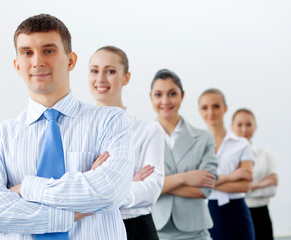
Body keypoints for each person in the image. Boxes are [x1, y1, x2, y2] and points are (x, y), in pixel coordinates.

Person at [0, 14, 134, 240]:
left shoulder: (110, 121)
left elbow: (112, 191)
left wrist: (26, 188)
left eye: (49, 50)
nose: (37, 62)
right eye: (27, 53)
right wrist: (73, 213)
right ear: (18, 65)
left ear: (71, 60)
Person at [88, 46, 164, 240]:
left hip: (136, 229)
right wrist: (124, 185)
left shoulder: (148, 130)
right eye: (94, 70)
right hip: (91, 229)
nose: (100, 79)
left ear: (126, 77)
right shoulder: (76, 130)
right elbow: (70, 185)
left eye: (110, 71)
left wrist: (98, 189)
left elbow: (151, 189)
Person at [149, 69, 218, 240]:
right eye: (158, 95)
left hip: (196, 233)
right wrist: (186, 178)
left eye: (172, 93)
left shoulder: (203, 137)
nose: (165, 101)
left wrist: (160, 185)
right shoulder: (141, 137)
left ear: (182, 95)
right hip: (154, 230)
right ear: (151, 97)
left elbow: (205, 189)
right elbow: (139, 188)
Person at [198, 88, 255, 240]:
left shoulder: (241, 144)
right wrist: (231, 177)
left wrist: (206, 182)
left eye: (216, 106)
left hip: (236, 212)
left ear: (225, 108)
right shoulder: (195, 145)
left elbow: (244, 186)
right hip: (205, 213)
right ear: (199, 110)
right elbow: (193, 184)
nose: (210, 112)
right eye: (205, 107)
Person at [232, 108, 277, 240]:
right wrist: (262, 183)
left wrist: (241, 186)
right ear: (232, 127)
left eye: (249, 124)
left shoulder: (265, 154)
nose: (244, 129)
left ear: (255, 126)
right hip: (236, 213)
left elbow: (272, 188)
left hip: (261, 213)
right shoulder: (227, 157)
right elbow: (225, 189)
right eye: (239, 125)